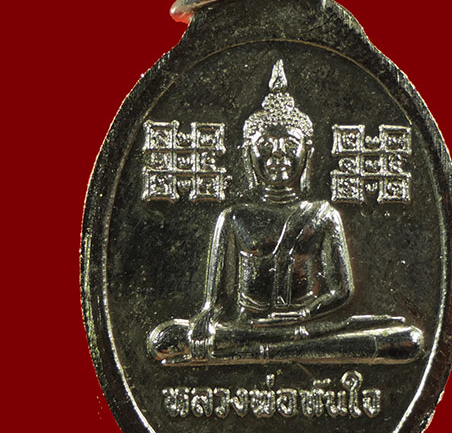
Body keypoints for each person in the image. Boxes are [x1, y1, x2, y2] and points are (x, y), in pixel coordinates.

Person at [148, 60, 423, 364]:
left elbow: (342, 291)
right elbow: (216, 299)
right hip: (246, 328)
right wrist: (206, 317)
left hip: (305, 328)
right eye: (266, 144)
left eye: (290, 143)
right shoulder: (235, 216)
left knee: (405, 336)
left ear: (309, 153)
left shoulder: (323, 215)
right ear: (247, 154)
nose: (278, 153)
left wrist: (305, 313)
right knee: (165, 341)